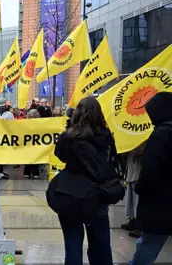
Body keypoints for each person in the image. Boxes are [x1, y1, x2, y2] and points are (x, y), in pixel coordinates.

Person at [53, 97, 115, 265]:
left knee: (72, 242)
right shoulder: (105, 135)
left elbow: (60, 155)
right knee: (100, 241)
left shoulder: (69, 136)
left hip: (70, 192)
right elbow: (112, 161)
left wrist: (69, 130)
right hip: (97, 193)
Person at [130, 92, 172, 265]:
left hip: (160, 203)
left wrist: (140, 187)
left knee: (147, 249)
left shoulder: (161, 134)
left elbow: (151, 170)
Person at [121, 142, 146, 238]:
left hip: (139, 167)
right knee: (131, 196)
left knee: (137, 199)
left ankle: (139, 224)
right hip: (132, 166)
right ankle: (133, 219)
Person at [0, 98, 14, 180]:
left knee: (5, 154)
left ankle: (5, 172)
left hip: (6, 136)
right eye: (0, 106)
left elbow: (13, 125)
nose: (1, 108)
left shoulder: (10, 114)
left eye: (3, 106)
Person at [24, 109, 41, 179]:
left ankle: (35, 172)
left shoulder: (40, 122)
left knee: (35, 158)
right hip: (27, 142)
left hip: (36, 142)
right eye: (31, 115)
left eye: (33, 115)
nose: (32, 116)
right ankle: (27, 172)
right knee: (27, 157)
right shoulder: (25, 122)